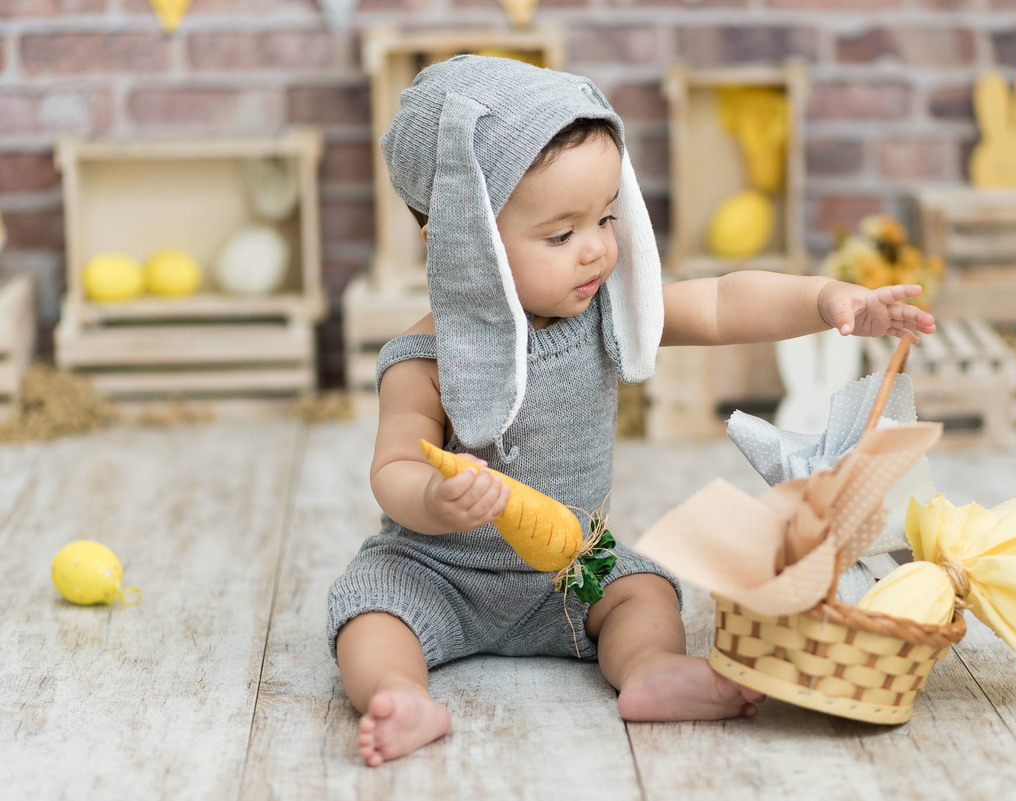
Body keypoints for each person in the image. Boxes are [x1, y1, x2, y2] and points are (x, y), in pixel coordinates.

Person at [327, 55, 935, 767]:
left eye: (606, 218)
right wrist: (436, 495)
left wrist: (826, 299)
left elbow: (718, 301)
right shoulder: (424, 358)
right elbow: (394, 465)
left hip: (574, 573)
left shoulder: (606, 315)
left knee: (645, 587)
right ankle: (400, 693)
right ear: (462, 244)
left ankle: (648, 667)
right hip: (440, 570)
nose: (597, 249)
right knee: (368, 609)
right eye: (561, 234)